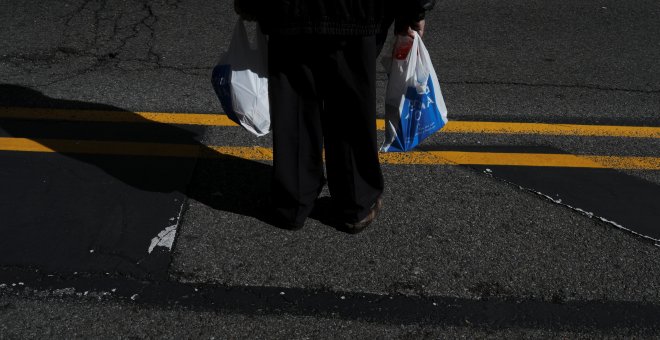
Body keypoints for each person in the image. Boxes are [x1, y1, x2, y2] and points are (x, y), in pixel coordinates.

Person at [234, 0, 436, 233]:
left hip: (288, 9)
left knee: (294, 100)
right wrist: (414, 8)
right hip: (357, 10)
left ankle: (294, 199)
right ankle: (355, 201)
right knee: (351, 104)